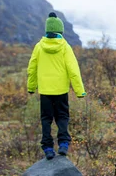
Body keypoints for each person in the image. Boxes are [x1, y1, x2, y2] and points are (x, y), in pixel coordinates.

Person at [27, 12, 86, 159]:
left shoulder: (39, 47)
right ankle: (63, 144)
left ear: (47, 30)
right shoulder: (65, 47)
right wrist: (80, 91)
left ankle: (47, 148)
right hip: (61, 90)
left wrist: (31, 87)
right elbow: (74, 70)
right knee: (62, 116)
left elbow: (32, 68)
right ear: (60, 31)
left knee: (46, 118)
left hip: (45, 91)